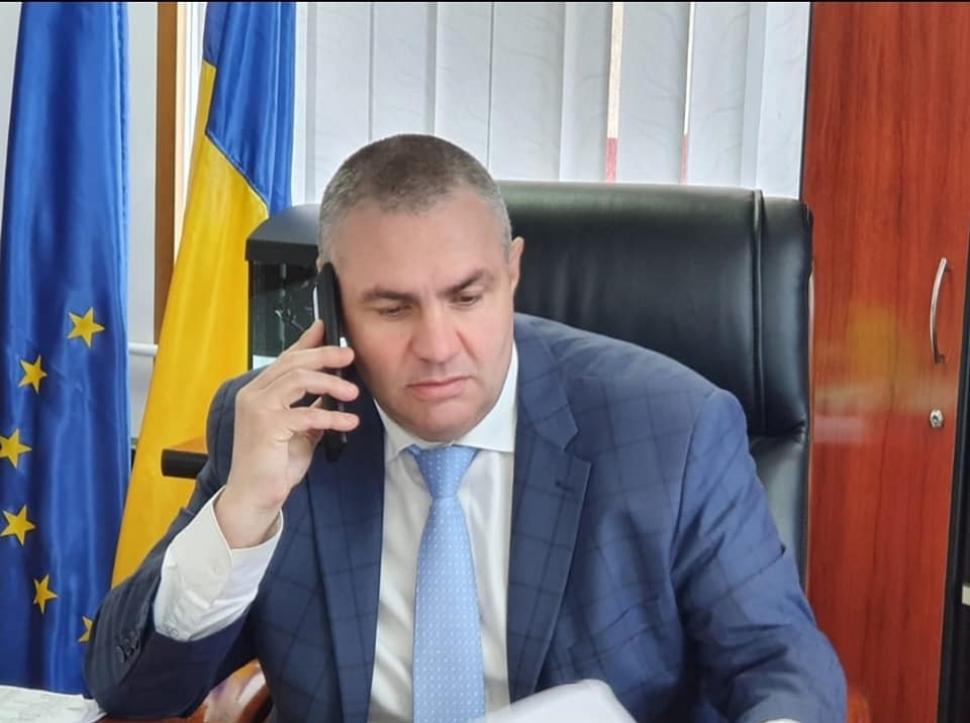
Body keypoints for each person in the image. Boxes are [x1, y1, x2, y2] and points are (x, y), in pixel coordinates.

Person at [85, 134, 846, 722]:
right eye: (392, 308)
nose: (438, 345)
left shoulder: (674, 430)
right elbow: (133, 690)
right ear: (332, 303)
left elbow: (778, 662)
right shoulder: (277, 431)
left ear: (512, 274)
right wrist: (241, 515)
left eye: (467, 296)